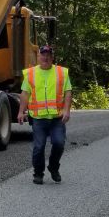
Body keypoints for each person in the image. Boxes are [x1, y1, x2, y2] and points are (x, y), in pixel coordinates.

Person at [17, 45, 72, 184]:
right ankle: (38, 173)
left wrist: (66, 110)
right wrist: (21, 111)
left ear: (52, 57)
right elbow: (25, 93)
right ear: (38, 57)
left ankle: (53, 167)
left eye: (48, 55)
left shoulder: (61, 72)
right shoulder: (30, 73)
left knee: (59, 143)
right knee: (39, 147)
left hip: (57, 118)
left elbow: (68, 92)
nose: (45, 57)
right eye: (43, 55)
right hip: (38, 118)